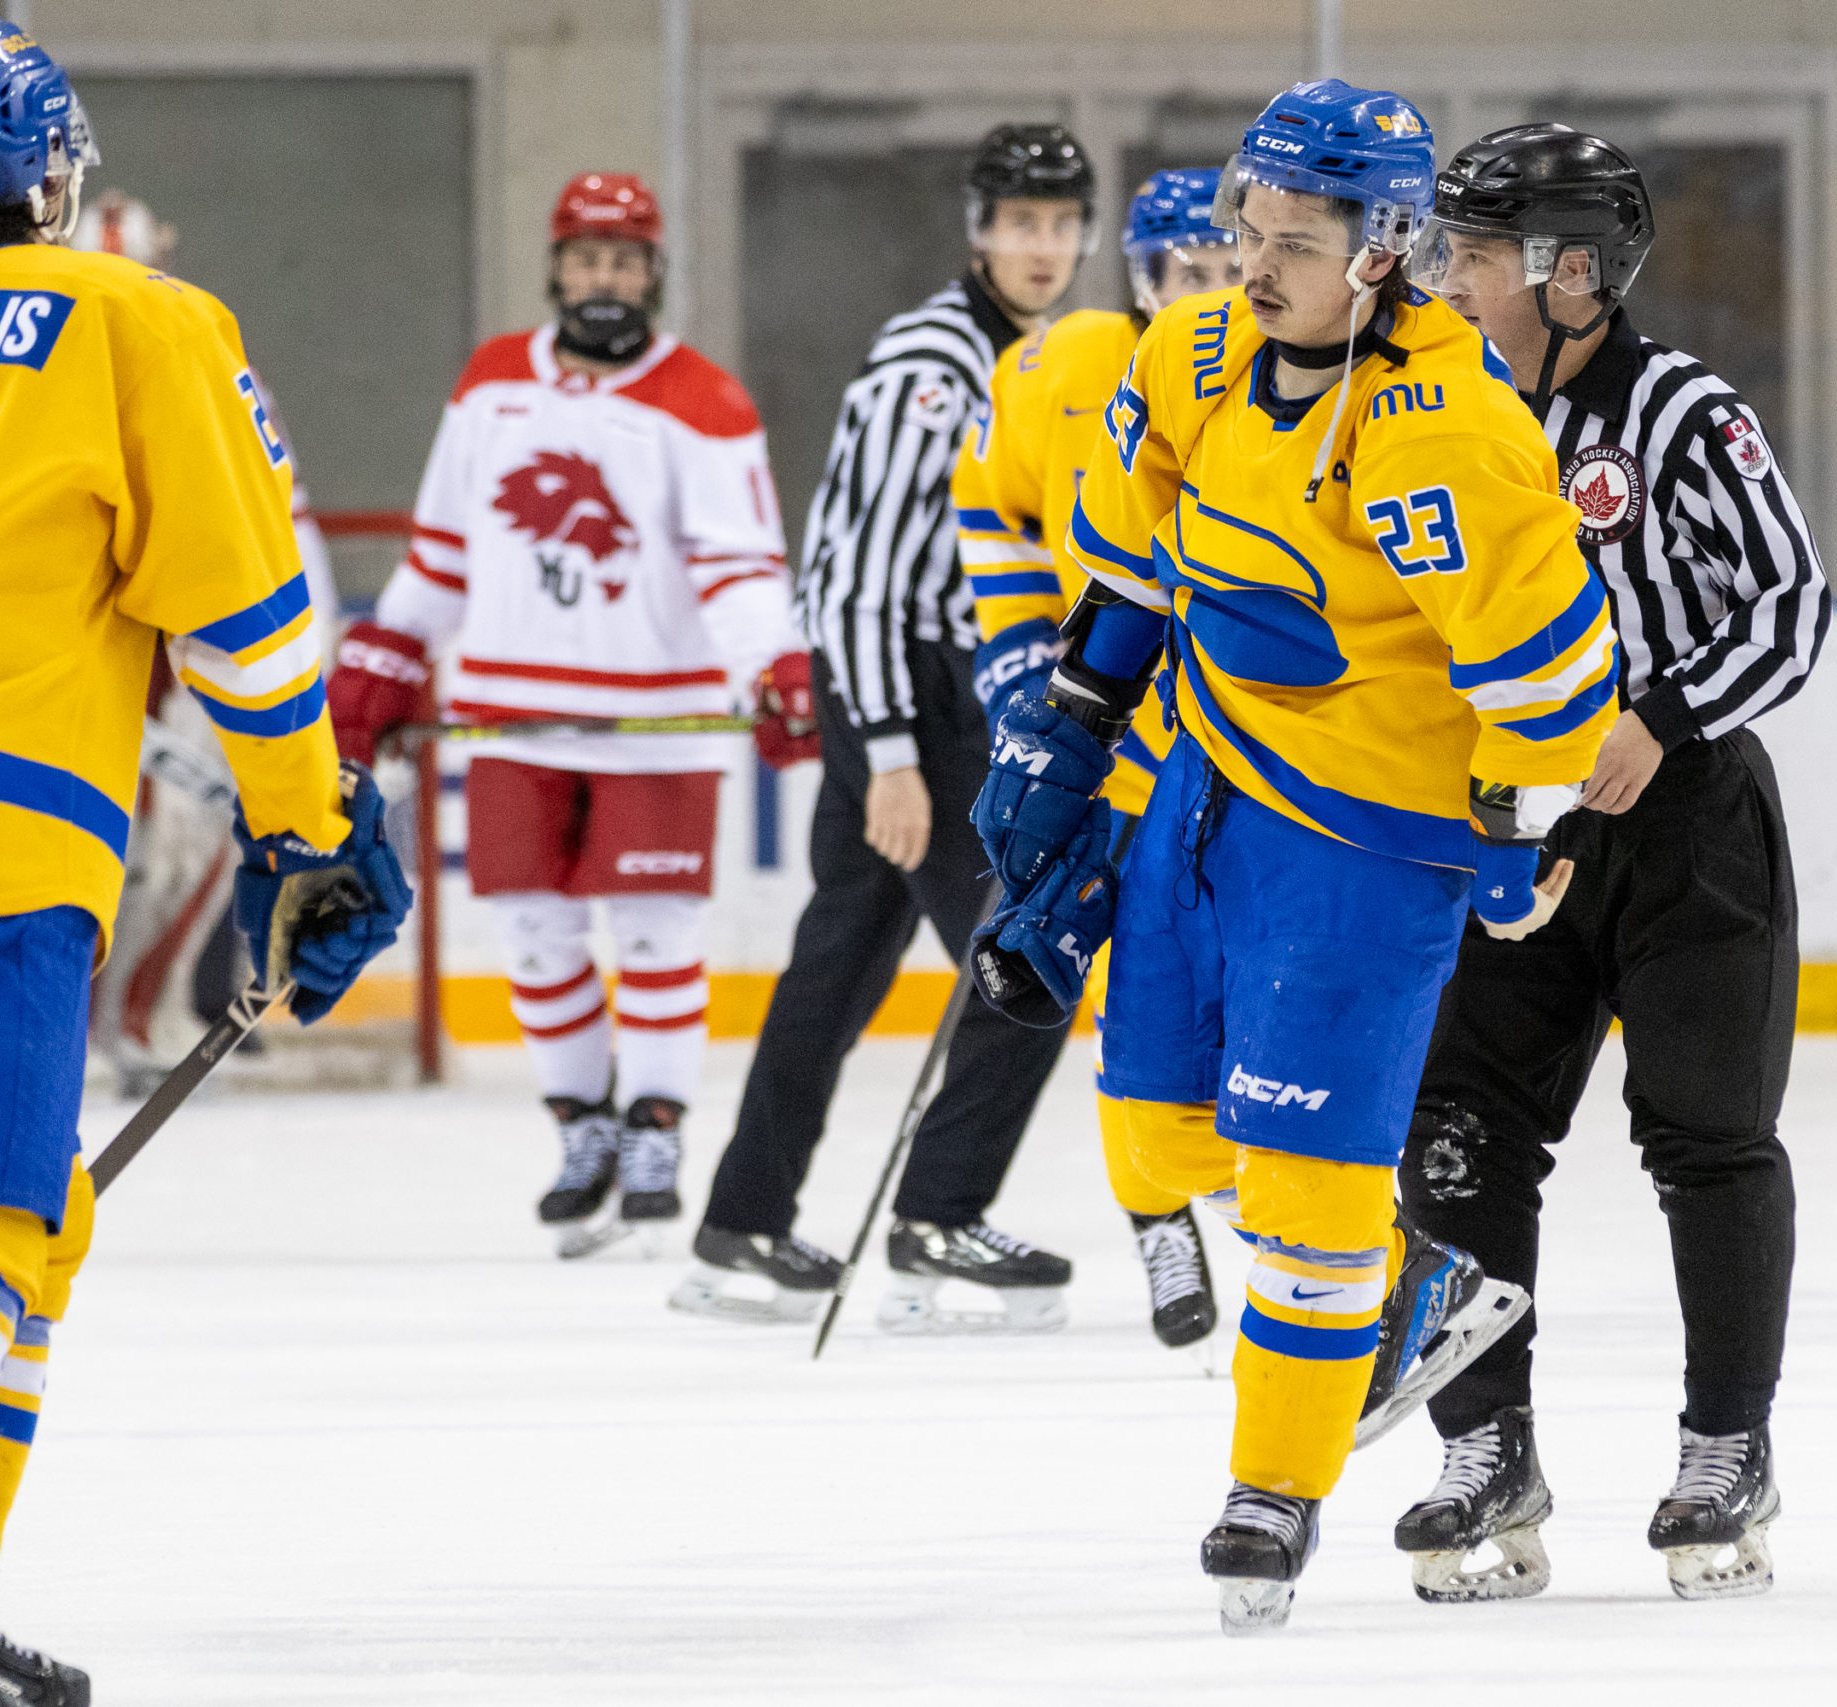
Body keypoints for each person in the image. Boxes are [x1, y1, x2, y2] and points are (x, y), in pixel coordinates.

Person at [968, 81, 1618, 1630]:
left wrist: (1517, 834)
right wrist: (1068, 730)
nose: (1252, 265)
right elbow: (1132, 562)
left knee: (1309, 1184)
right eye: (1247, 231)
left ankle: (1274, 1481)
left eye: (1294, 240)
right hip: (1203, 788)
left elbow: (1544, 673)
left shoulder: (1451, 432)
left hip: (1371, 844)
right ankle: (1427, 1286)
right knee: (1155, 1137)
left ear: (1387, 249)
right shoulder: (1186, 356)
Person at [0, 22, 408, 1702]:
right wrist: (308, 821)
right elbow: (246, 614)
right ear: (51, 174)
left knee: (34, 1219)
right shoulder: (135, 319)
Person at [1391, 124, 1829, 1605]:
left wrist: (1661, 715)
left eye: (1470, 252)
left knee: (1705, 1133)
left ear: (1570, 272)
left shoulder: (1683, 414)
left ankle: (1727, 1443)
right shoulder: (1433, 417)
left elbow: (1791, 603)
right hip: (1509, 820)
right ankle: (1485, 1445)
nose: (1445, 277)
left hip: (1688, 820)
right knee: (1458, 1124)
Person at [329, 170, 815, 1261]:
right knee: (535, 932)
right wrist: (383, 652)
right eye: (589, 258)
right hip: (510, 717)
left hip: (655, 719)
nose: (607, 278)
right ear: (557, 266)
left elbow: (738, 567)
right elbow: (445, 553)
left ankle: (653, 1130)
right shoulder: (494, 383)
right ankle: (582, 1128)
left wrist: (775, 662)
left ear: (653, 274)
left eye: (626, 261)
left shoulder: (705, 399)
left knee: (654, 932)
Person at [676, 125, 1095, 1332]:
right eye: (1020, 221)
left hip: (967, 691)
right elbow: (849, 577)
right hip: (907, 693)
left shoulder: (1055, 358)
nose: (1041, 245)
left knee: (836, 966)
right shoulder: (928, 360)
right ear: (978, 228)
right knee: (1029, 958)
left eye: (1061, 223)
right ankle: (936, 1220)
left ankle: (742, 1225)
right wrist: (891, 755)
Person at [950, 168, 1241, 1350]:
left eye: (1231, 271)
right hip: (1114, 741)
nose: (1214, 292)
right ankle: (1157, 1212)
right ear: (1142, 278)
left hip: (1247, 750)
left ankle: (1259, 1196)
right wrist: (1028, 675)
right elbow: (993, 512)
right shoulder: (1059, 368)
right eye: (1190, 274)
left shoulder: (1287, 380)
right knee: (1132, 1005)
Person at [78, 188, 351, 1094]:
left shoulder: (191, 358)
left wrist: (296, 647)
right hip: (96, 649)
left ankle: (133, 1018)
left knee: (181, 846)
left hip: (172, 652)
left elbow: (269, 523)